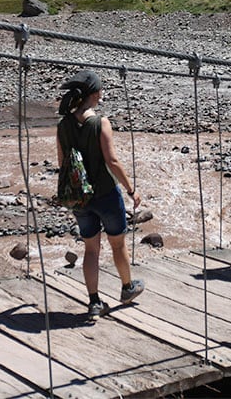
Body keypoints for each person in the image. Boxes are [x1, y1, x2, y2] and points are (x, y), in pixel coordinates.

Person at [56, 70, 145, 318]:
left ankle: (94, 301)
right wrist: (131, 189)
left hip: (80, 197)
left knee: (91, 249)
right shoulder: (100, 122)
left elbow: (62, 163)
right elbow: (112, 161)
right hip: (106, 194)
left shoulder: (63, 125)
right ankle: (127, 288)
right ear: (95, 94)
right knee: (117, 244)